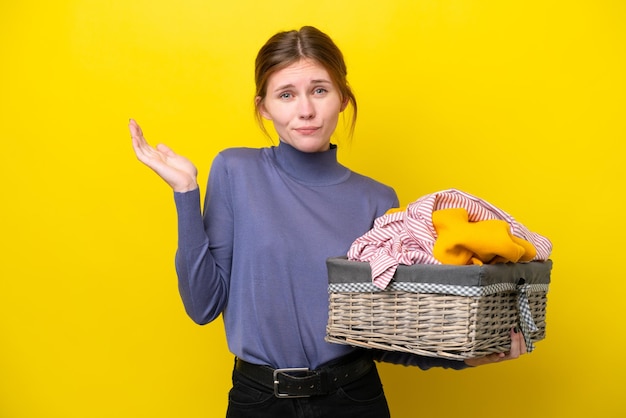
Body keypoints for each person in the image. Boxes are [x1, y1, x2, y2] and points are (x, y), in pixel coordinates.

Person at [130, 25, 527, 418]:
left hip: (352, 398)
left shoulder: (377, 199)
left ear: (342, 99)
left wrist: (461, 359)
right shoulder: (235, 171)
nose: (305, 110)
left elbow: (379, 334)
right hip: (258, 401)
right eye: (286, 95)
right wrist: (185, 193)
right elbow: (203, 305)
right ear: (264, 107)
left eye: (319, 90)